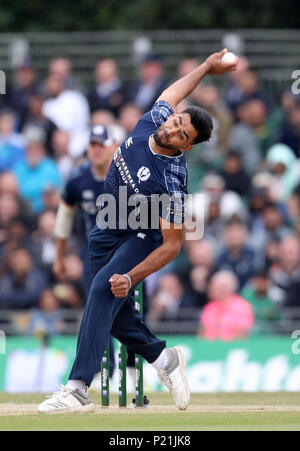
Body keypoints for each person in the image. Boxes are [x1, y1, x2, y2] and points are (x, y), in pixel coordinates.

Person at [38, 48, 238, 413]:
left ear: (187, 146)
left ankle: (77, 387)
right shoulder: (153, 120)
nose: (174, 129)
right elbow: (173, 92)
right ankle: (164, 359)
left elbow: (173, 246)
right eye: (178, 122)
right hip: (106, 228)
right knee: (115, 312)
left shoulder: (173, 180)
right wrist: (207, 68)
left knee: (104, 288)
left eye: (182, 134)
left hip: (141, 236)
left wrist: (130, 277)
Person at [52, 125, 116, 374]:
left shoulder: (125, 176)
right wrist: (60, 257)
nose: (97, 150)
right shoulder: (78, 179)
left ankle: (132, 368)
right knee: (96, 310)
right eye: (93, 145)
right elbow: (64, 218)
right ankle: (106, 369)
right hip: (93, 256)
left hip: (125, 251)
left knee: (128, 311)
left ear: (114, 146)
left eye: (102, 144)